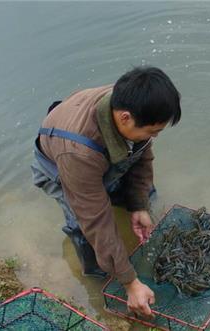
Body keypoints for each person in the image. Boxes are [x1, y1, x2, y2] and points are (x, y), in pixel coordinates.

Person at [31, 66, 181, 317]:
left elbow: (142, 155)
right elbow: (97, 221)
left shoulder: (134, 105)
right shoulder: (79, 154)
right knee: (85, 227)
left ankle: (131, 225)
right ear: (124, 118)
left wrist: (138, 206)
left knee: (143, 194)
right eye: (153, 131)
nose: (154, 136)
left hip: (100, 154)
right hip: (62, 167)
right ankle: (97, 277)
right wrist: (129, 282)